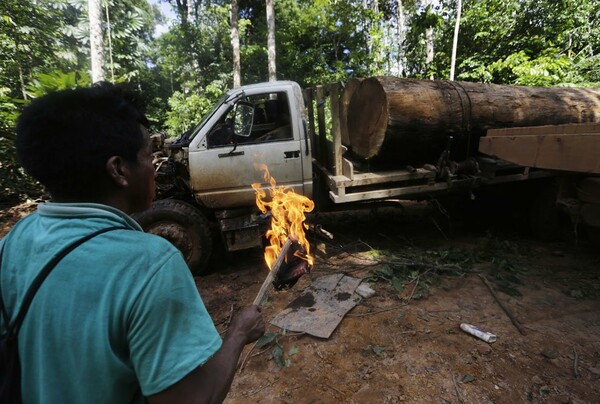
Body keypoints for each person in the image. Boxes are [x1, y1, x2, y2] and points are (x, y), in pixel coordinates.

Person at [0, 83, 265, 403]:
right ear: (118, 169)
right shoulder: (150, 263)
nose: (155, 167)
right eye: (148, 155)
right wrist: (237, 335)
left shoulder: (15, 240)